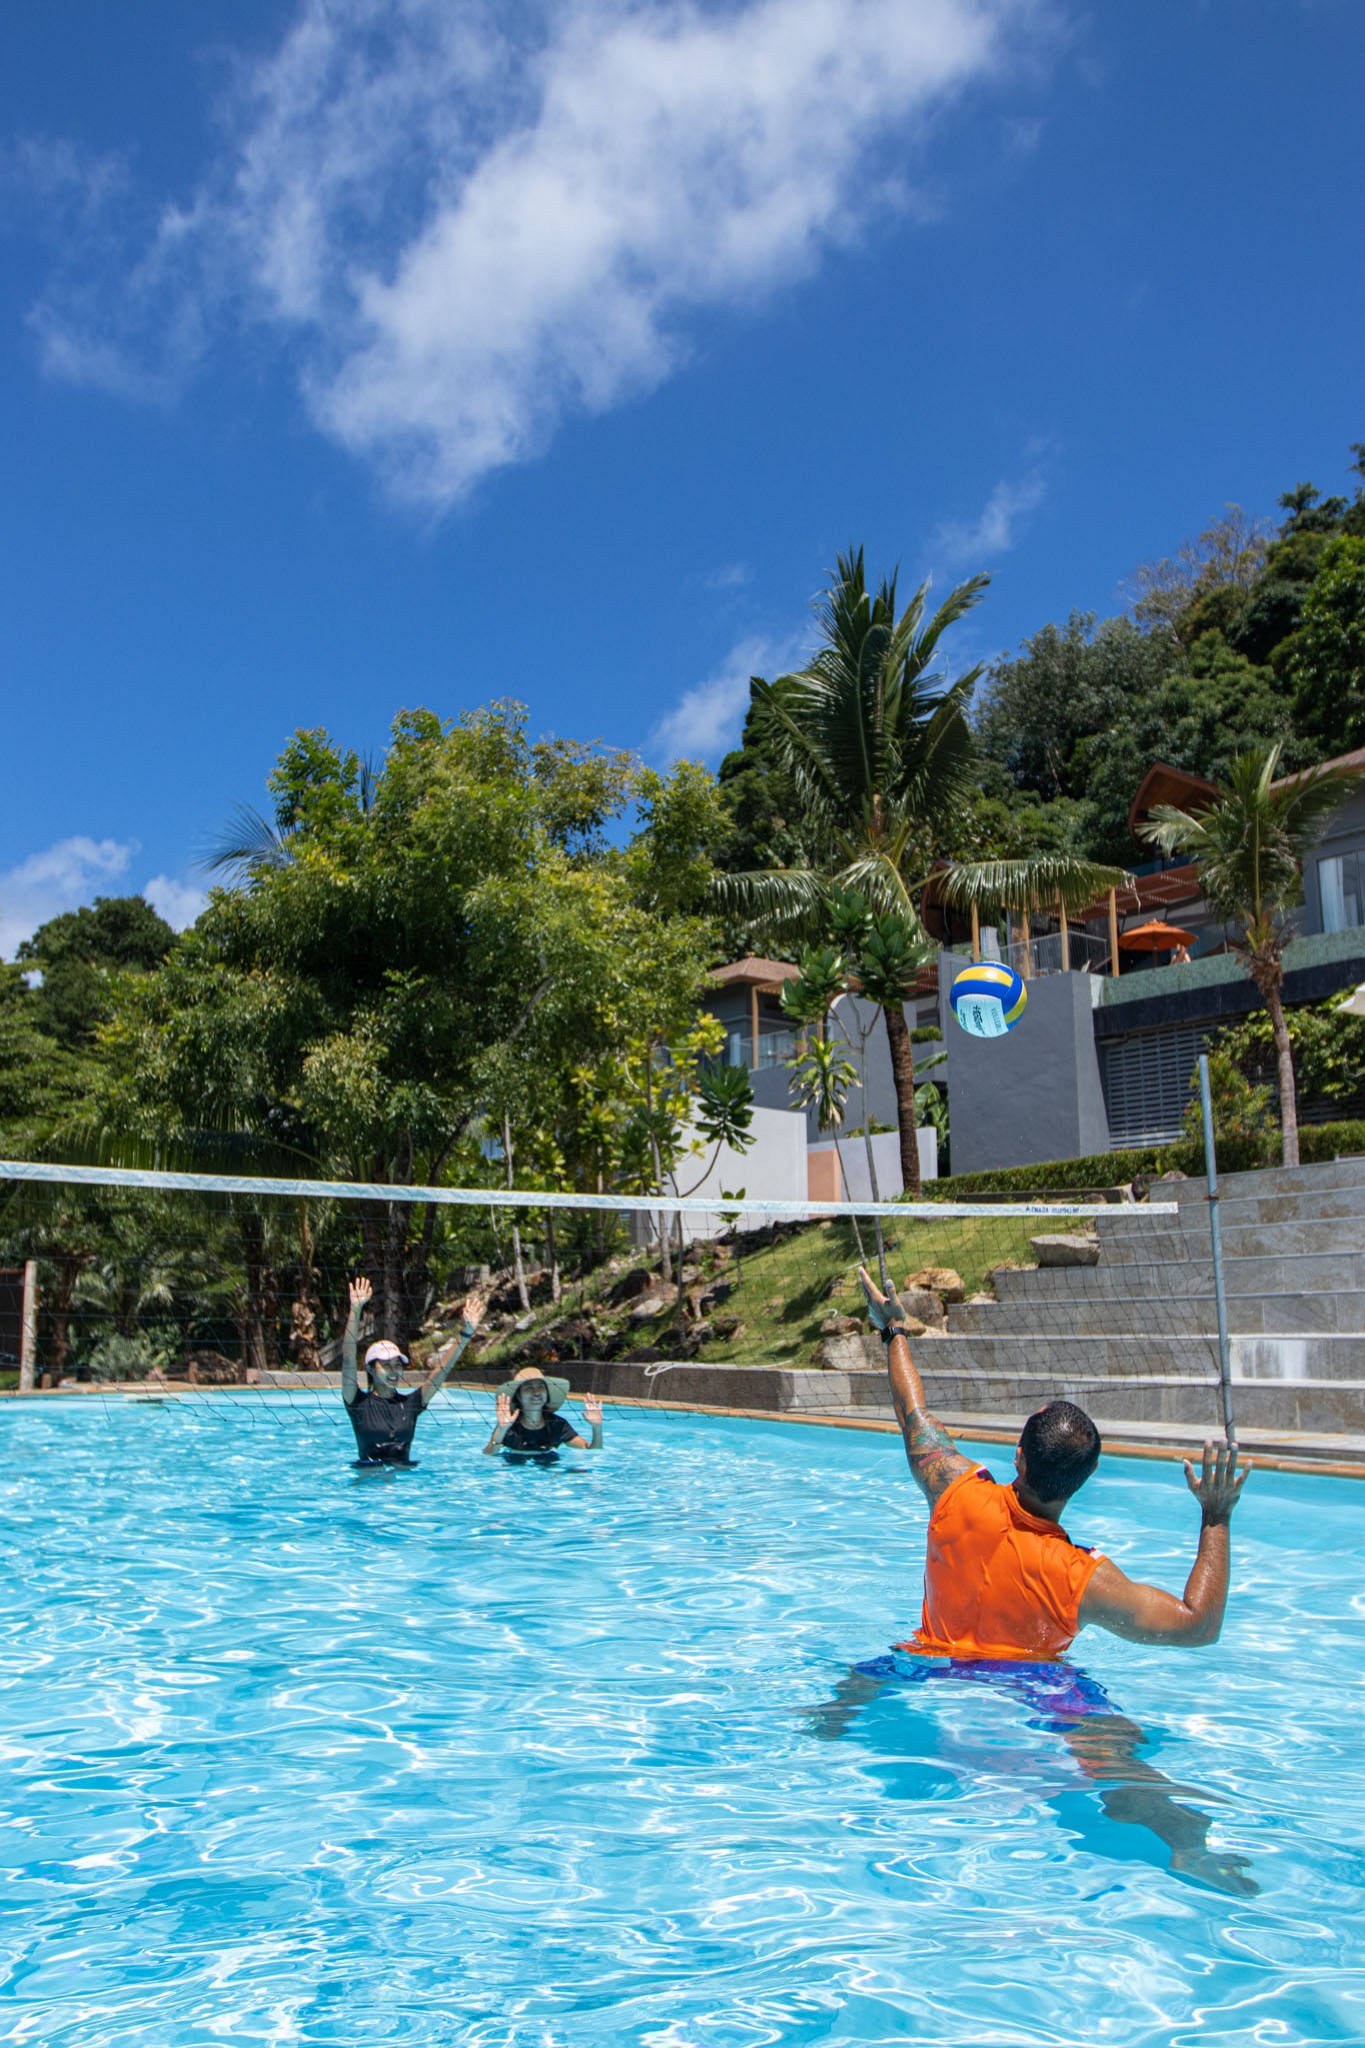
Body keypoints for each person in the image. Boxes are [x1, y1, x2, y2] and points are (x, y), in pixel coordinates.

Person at [813, 1265, 1257, 1893]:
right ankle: (1182, 1842)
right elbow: (1198, 1625)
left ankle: (820, 1732)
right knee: (1116, 1749)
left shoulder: (955, 1492)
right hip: (1033, 1681)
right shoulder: (1082, 1577)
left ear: (1017, 1458)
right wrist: (1215, 1517)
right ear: (1082, 1483)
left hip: (926, 1658)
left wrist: (894, 1333)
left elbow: (913, 1413)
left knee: (854, 1686)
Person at [341, 1276, 485, 1466]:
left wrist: (466, 1333)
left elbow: (442, 1370)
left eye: (397, 1365)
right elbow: (348, 1357)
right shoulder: (358, 1403)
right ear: (370, 1369)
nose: (393, 1371)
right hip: (369, 1477)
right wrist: (355, 1310)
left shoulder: (410, 1405)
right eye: (386, 1365)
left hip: (405, 1479)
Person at [483, 1365, 603, 1460]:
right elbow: (489, 1453)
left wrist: (597, 1427)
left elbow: (592, 1450)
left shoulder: (557, 1425)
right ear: (518, 1396)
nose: (536, 1392)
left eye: (541, 1387)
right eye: (529, 1387)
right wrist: (502, 1429)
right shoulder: (509, 1425)